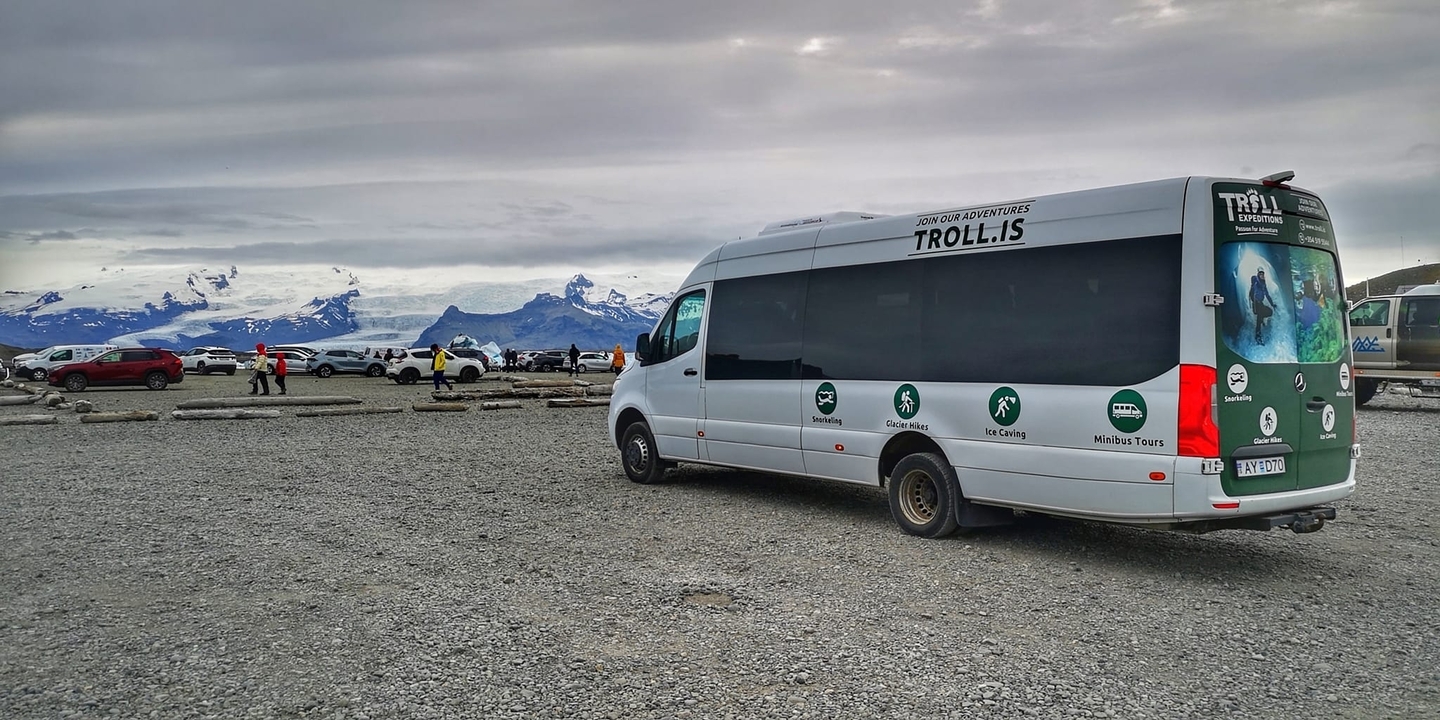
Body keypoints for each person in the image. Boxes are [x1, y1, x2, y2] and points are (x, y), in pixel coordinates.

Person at [1249, 267, 1275, 344]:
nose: (1262, 275)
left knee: (1270, 312)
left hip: (1260, 303)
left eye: (1263, 274)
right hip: (1256, 304)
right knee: (1259, 317)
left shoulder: (1263, 284)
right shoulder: (1256, 281)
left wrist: (1272, 304)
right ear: (1258, 274)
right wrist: (1255, 280)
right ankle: (1258, 335)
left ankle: (1261, 321)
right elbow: (1253, 280)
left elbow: (1267, 295)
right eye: (1260, 274)